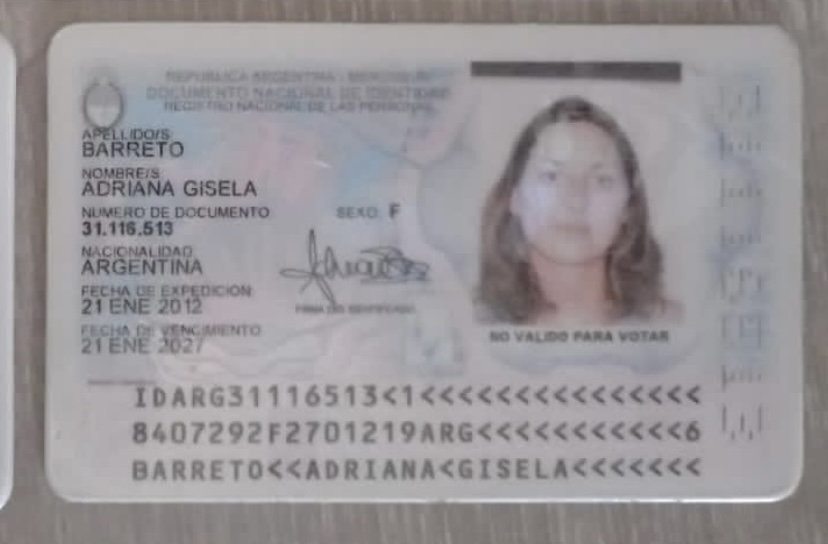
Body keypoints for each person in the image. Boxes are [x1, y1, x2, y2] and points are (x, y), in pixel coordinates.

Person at [477, 96, 680, 326]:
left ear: (629, 208)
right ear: (515, 198)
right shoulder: (469, 326)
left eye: (601, 180)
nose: (575, 200)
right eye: (551, 176)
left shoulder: (671, 326)